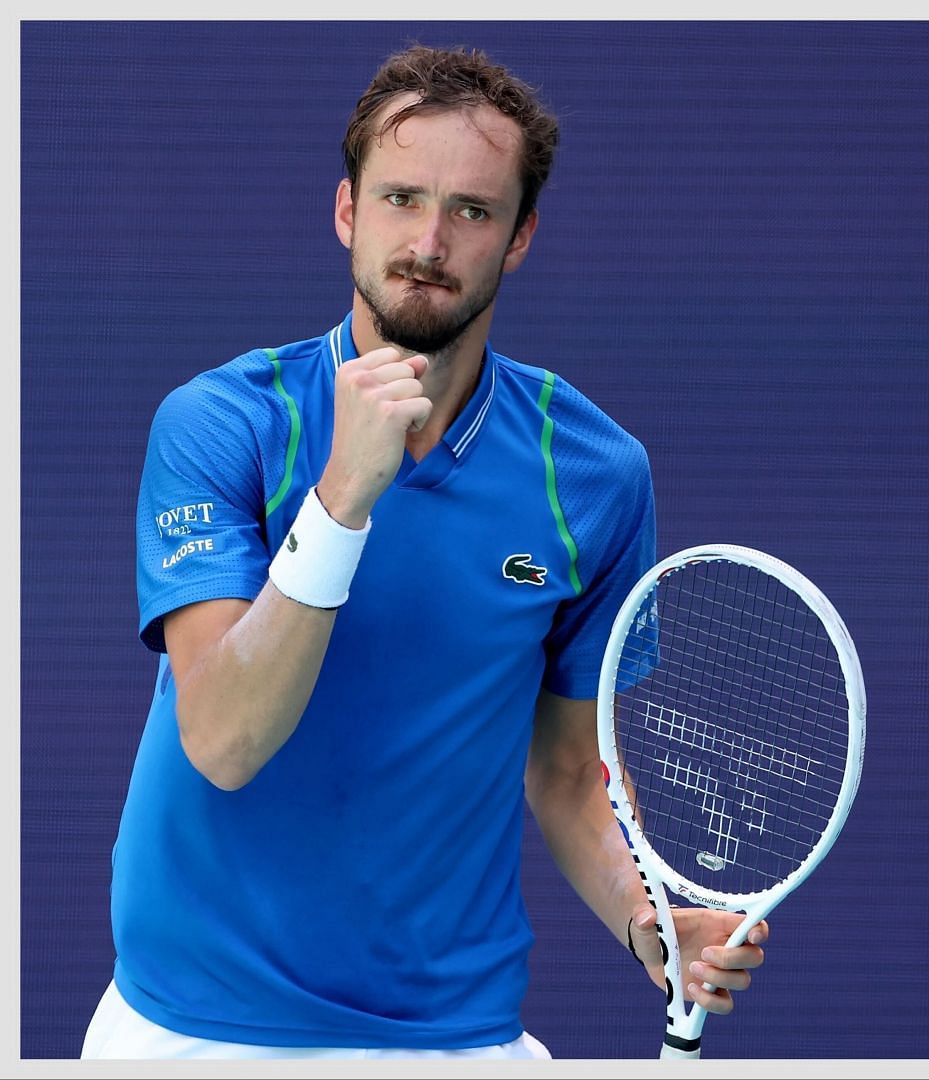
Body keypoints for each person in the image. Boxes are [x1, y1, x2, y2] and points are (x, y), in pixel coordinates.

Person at [83, 45, 768, 1059]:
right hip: (192, 1031)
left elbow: (569, 772)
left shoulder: (594, 474)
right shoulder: (221, 425)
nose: (430, 241)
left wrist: (649, 919)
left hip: (453, 1035)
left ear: (519, 238)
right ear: (347, 212)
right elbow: (224, 740)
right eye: (401, 198)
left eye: (473, 211)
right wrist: (345, 495)